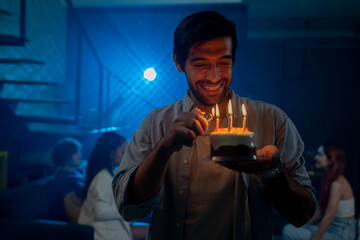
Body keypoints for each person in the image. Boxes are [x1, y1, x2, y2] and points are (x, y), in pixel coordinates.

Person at [112, 11, 316, 239]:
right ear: (178, 61)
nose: (214, 76)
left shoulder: (272, 120)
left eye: (223, 63)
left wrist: (272, 170)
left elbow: (303, 215)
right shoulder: (156, 123)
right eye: (200, 64)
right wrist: (165, 147)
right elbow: (128, 207)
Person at [282, 142, 356, 240]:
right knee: (290, 229)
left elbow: (328, 217)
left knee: (288, 232)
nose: (316, 157)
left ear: (330, 160)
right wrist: (302, 226)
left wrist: (315, 238)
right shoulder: (328, 180)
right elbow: (321, 212)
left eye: (320, 155)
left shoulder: (337, 184)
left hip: (342, 233)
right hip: (332, 228)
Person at [78, 131, 132, 240]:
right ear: (111, 153)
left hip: (111, 229)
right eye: (123, 152)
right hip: (103, 233)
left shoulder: (111, 173)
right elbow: (101, 212)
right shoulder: (103, 177)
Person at [49, 137, 85, 222]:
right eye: (75, 153)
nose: (79, 155)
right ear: (65, 157)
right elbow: (74, 215)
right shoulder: (63, 179)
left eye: (78, 152)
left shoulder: (78, 171)